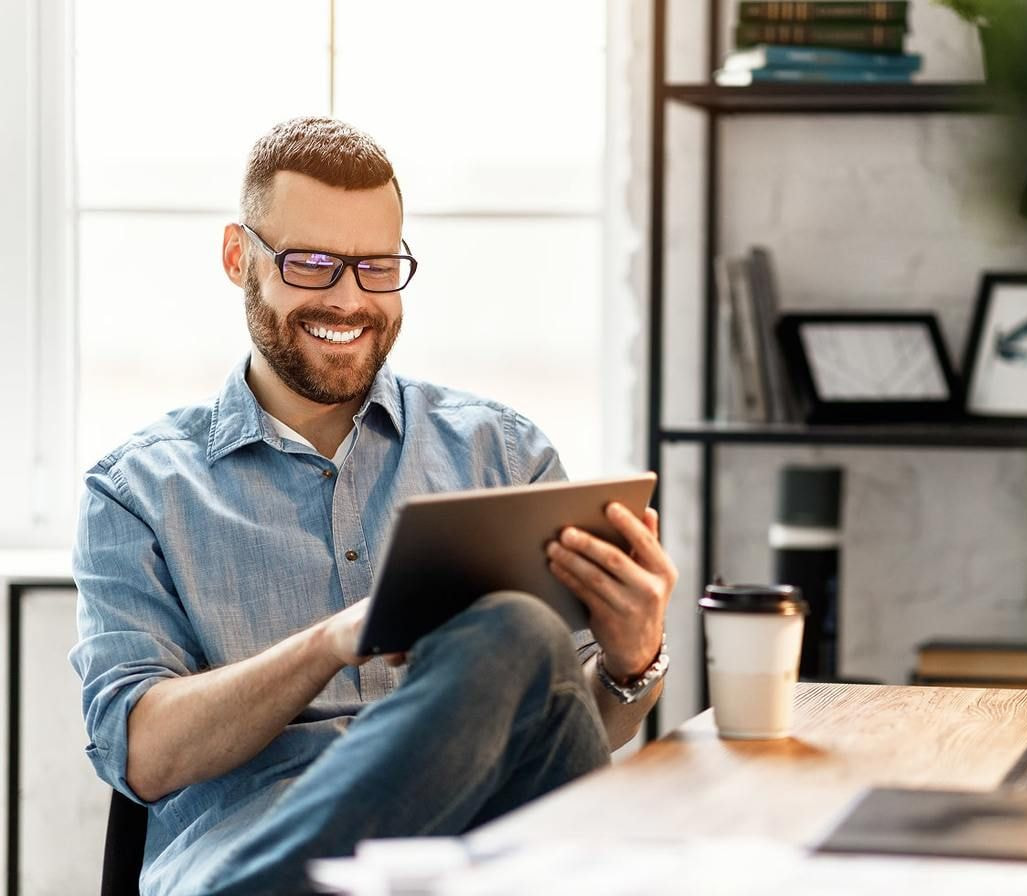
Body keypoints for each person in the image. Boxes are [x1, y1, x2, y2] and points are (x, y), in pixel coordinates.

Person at [70, 117, 678, 896]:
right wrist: (330, 642)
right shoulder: (139, 491)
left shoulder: (503, 454)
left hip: (474, 856)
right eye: (312, 263)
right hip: (257, 855)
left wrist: (630, 663)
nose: (350, 299)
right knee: (519, 627)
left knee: (524, 647)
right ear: (238, 257)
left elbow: (561, 740)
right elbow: (141, 755)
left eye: (377, 266)